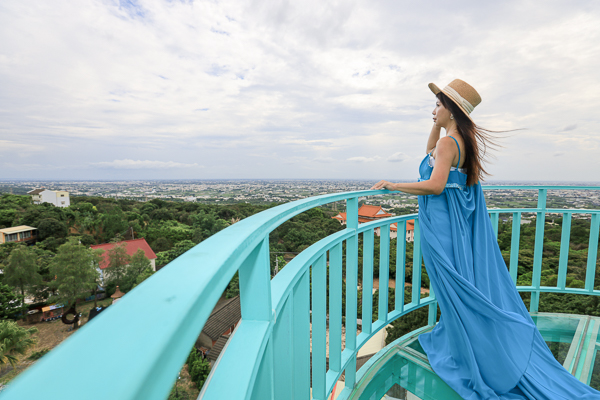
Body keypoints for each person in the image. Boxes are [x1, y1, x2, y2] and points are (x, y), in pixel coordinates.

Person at [370, 79, 600, 399]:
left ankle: (474, 353)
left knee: (454, 289)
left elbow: (435, 185)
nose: (433, 110)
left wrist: (394, 185)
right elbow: (430, 154)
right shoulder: (459, 140)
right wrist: (437, 124)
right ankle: (469, 344)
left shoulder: (450, 143)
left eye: (438, 105)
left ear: (451, 110)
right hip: (451, 228)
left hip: (441, 229)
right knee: (460, 290)